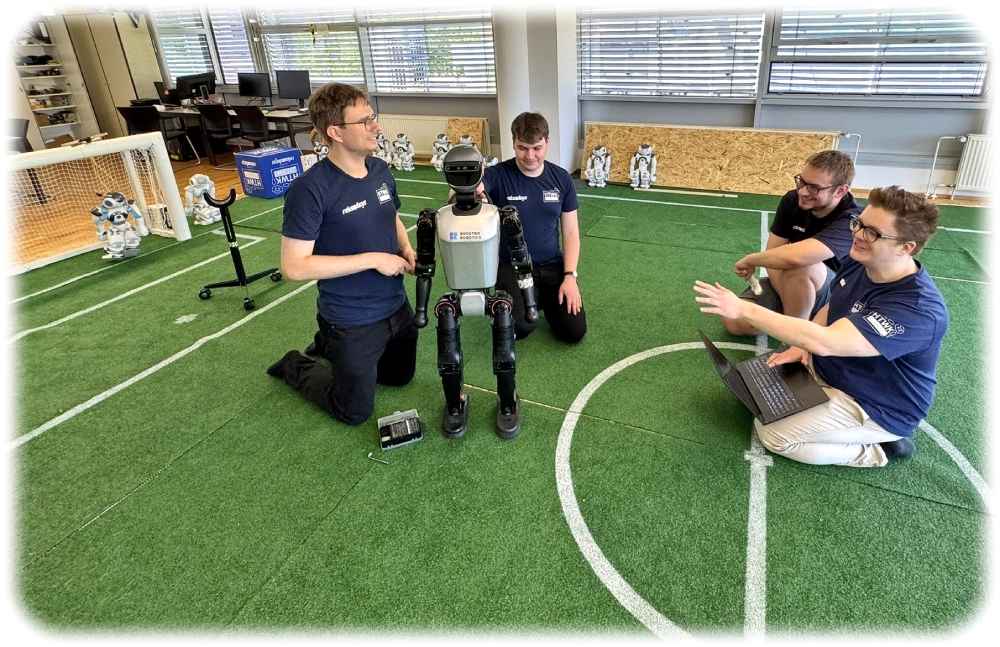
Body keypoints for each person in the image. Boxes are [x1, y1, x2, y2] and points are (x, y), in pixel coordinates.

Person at [694, 186, 948, 468]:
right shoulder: (859, 261)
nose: (858, 235)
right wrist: (800, 347)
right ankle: (826, 402)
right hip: (830, 370)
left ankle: (879, 450)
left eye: (872, 233)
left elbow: (828, 341)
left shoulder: (918, 309)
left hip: (876, 406)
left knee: (773, 434)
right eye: (859, 224)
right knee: (748, 387)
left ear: (906, 247)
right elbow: (831, 309)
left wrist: (744, 308)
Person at [266, 83, 418, 426]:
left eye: (372, 117)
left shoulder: (379, 170)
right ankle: (297, 363)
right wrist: (374, 259)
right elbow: (293, 267)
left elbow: (391, 214)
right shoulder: (310, 190)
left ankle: (327, 344)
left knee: (397, 377)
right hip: (352, 319)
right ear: (335, 132)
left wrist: (405, 248)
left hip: (395, 308)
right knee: (353, 412)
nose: (375, 126)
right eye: (364, 121)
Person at [725, 150, 861, 336]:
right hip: (791, 285)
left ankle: (794, 340)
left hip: (835, 294)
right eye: (802, 181)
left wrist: (751, 260)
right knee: (735, 321)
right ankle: (798, 320)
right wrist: (789, 298)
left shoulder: (852, 219)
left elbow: (798, 258)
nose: (803, 191)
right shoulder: (792, 200)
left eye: (814, 187)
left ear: (840, 190)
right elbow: (772, 254)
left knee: (803, 265)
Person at [479, 112, 587, 343]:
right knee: (520, 328)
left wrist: (570, 277)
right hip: (513, 266)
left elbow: (570, 233)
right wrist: (470, 188)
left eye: (537, 148)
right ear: (513, 143)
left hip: (551, 265)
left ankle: (541, 298)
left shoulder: (561, 179)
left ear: (547, 142)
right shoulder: (497, 176)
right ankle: (518, 301)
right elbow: (470, 189)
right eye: (522, 148)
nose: (530, 156)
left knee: (574, 332)